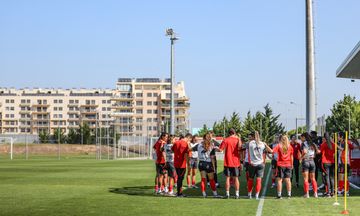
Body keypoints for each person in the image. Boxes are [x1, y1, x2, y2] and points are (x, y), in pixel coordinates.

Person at [193, 132, 221, 198]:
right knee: (211, 180)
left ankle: (204, 194)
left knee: (203, 179)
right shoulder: (212, 145)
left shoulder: (198, 145)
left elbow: (190, 149)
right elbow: (214, 155)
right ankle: (215, 194)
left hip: (201, 163)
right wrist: (214, 167)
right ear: (209, 138)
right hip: (208, 163)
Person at [247, 131, 273, 200]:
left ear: (253, 137)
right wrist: (266, 144)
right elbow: (271, 151)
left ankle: (249, 194)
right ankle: (257, 195)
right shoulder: (262, 144)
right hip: (260, 164)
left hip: (252, 164)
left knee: (250, 179)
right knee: (259, 180)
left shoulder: (250, 143)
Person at [218, 128, 242, 199]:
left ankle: (227, 194)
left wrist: (216, 148)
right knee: (236, 178)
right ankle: (237, 194)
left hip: (227, 162)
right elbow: (240, 148)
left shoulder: (225, 140)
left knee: (227, 178)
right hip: (236, 162)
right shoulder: (237, 139)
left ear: (229, 133)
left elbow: (220, 149)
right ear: (234, 133)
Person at [337, 132, 359, 196]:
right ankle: (345, 190)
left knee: (341, 176)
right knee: (343, 177)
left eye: (338, 136)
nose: (337, 137)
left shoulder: (346, 142)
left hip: (344, 161)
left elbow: (353, 147)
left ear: (342, 137)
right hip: (341, 161)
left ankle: (341, 190)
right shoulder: (341, 142)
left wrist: (355, 141)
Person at [172, 133, 192, 197]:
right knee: (180, 178)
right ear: (189, 138)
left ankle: (178, 192)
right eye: (190, 140)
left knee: (179, 178)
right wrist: (188, 164)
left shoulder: (176, 142)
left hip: (176, 163)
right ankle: (179, 193)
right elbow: (186, 155)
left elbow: (172, 150)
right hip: (182, 164)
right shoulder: (185, 144)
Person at [300, 132, 319, 198]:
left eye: (301, 137)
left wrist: (301, 157)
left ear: (304, 137)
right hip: (312, 161)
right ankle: (315, 193)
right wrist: (313, 155)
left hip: (306, 161)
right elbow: (318, 151)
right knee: (313, 178)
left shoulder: (303, 144)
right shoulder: (313, 143)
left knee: (306, 179)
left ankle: (307, 194)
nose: (301, 139)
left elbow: (304, 151)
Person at [320, 132, 335, 197]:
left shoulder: (323, 144)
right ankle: (332, 192)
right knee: (331, 177)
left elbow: (320, 152)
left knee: (327, 177)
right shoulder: (333, 144)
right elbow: (334, 152)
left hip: (325, 162)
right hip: (332, 162)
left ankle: (328, 192)